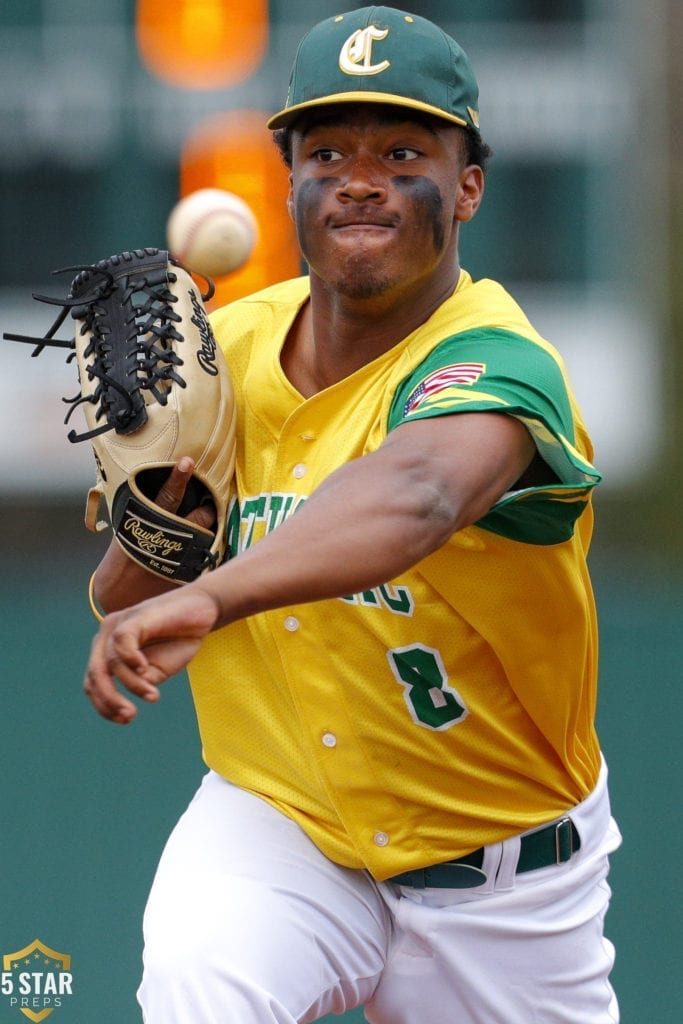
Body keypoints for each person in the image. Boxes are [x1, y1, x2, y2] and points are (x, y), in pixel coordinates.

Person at [84, 7, 622, 1023]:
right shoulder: (222, 354)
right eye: (325, 150)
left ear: (467, 184)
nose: (360, 177)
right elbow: (126, 598)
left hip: (501, 878)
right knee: (203, 991)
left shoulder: (502, 362)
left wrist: (218, 595)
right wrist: (157, 525)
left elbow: (417, 493)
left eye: (403, 150)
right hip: (277, 824)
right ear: (287, 181)